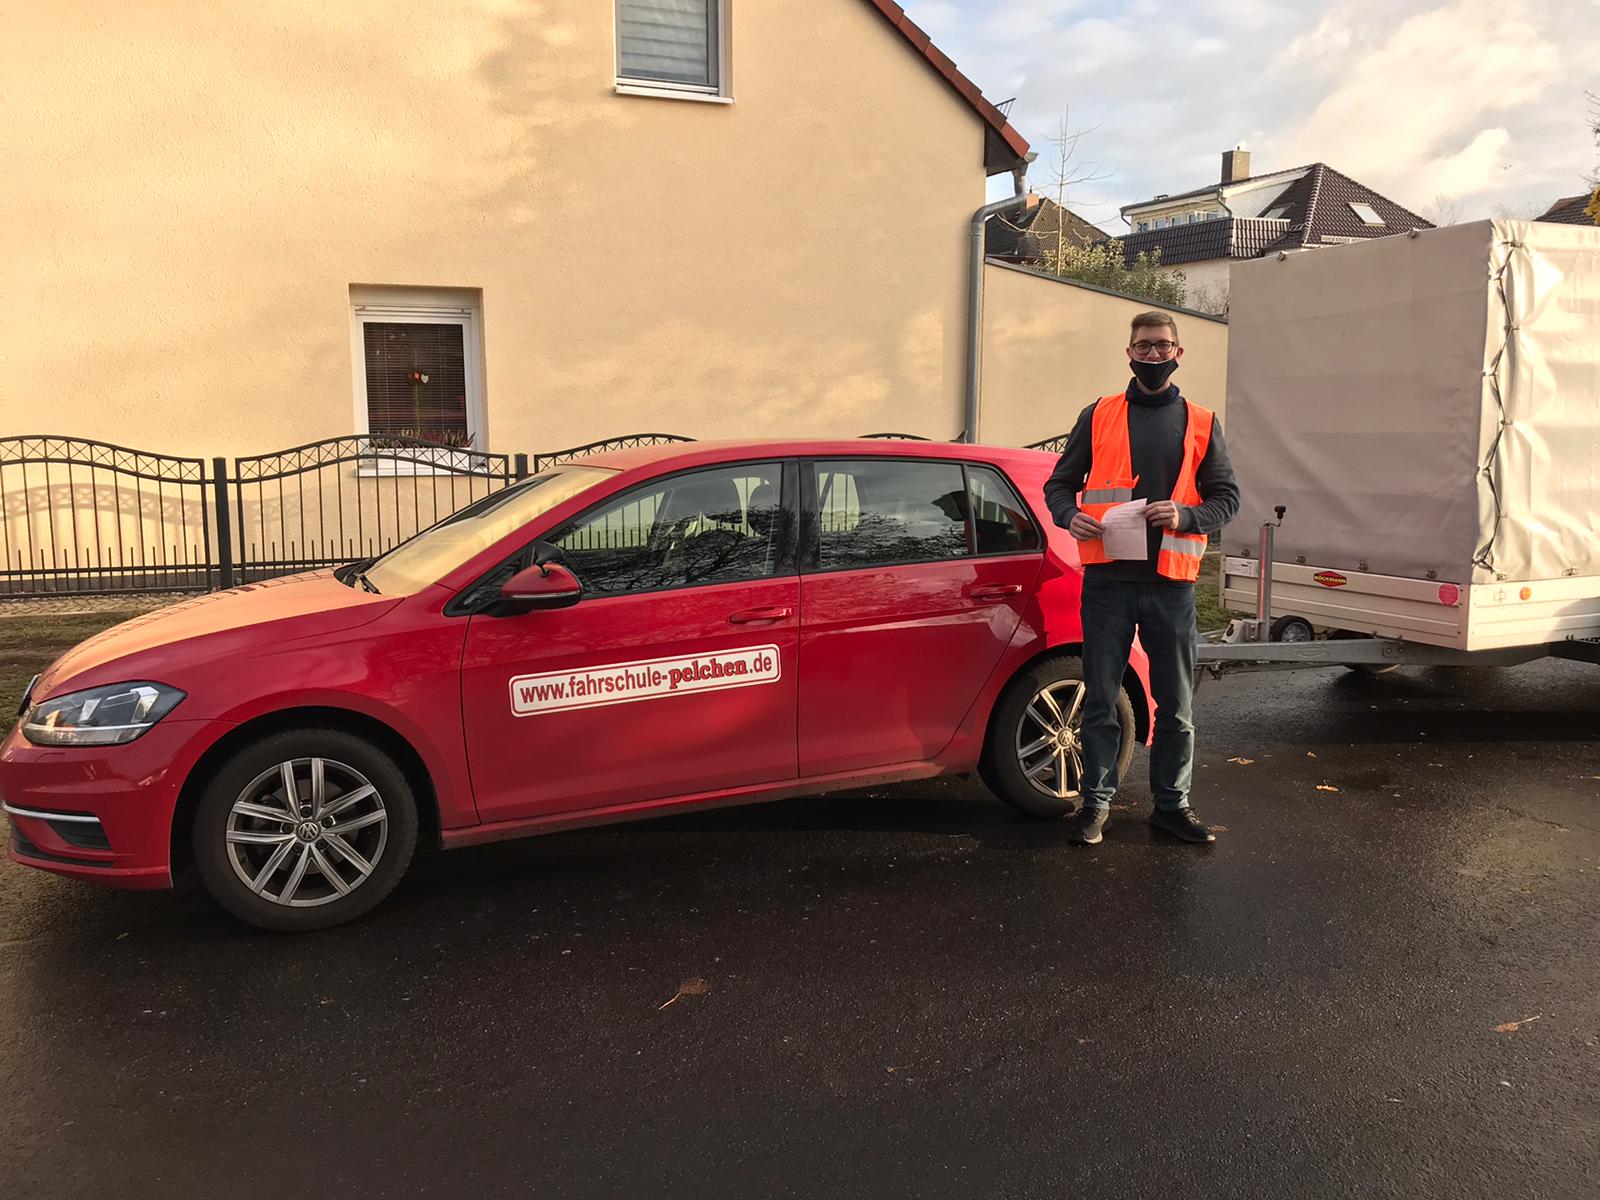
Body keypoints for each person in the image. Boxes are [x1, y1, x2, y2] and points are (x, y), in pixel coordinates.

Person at [1042, 311, 1240, 845]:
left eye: (1163, 346)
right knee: (1101, 700)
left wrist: (1186, 515)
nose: (1154, 355)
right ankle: (1095, 805)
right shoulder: (1098, 414)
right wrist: (1068, 515)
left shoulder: (1202, 421)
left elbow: (1227, 499)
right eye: (1144, 346)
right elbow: (1059, 484)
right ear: (1129, 352)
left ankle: (1172, 806)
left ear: (1179, 353)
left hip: (1171, 584)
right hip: (1108, 582)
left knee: (1176, 705)